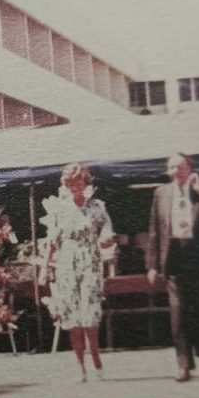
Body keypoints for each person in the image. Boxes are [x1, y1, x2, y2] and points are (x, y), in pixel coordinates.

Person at [146, 153, 199, 382]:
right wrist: (152, 266)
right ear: (168, 170)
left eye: (181, 167)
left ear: (190, 168)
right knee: (178, 313)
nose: (177, 172)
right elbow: (155, 231)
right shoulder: (161, 193)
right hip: (174, 259)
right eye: (172, 168)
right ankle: (183, 365)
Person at [39, 163, 115, 382]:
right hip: (66, 265)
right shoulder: (60, 210)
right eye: (70, 183)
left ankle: (97, 360)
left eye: (78, 182)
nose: (74, 187)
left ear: (85, 182)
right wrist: (45, 267)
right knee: (72, 318)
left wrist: (107, 241)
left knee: (89, 316)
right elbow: (52, 242)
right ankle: (80, 367)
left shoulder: (97, 207)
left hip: (90, 263)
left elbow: (107, 234)